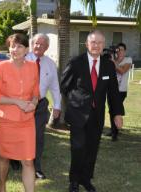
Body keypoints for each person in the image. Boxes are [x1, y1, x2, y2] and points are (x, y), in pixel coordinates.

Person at [61, 30, 124, 192]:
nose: (96, 46)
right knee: (78, 148)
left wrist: (117, 114)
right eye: (93, 42)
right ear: (87, 44)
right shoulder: (76, 62)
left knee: (92, 148)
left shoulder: (108, 65)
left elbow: (114, 92)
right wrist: (76, 102)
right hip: (78, 115)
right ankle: (74, 180)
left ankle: (86, 179)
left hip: (97, 116)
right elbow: (64, 86)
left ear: (103, 45)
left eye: (99, 43)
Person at [0, 33, 39, 192]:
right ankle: (2, 184)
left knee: (28, 161)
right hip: (6, 122)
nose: (15, 49)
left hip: (27, 121)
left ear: (26, 49)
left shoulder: (33, 66)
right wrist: (17, 102)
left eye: (19, 46)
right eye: (12, 46)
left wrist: (33, 103)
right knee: (4, 157)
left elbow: (36, 92)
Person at [26, 33, 61, 179]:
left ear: (47, 47)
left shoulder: (50, 64)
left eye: (42, 44)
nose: (38, 46)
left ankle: (36, 167)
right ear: (32, 44)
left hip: (40, 106)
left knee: (38, 138)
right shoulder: (23, 59)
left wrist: (57, 105)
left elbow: (54, 87)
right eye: (36, 43)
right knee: (20, 135)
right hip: (22, 105)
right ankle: (16, 160)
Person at [106, 42, 132, 141]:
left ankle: (115, 134)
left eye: (121, 49)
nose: (119, 51)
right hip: (111, 89)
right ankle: (113, 130)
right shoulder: (113, 59)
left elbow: (122, 71)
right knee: (111, 110)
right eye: (118, 49)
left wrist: (113, 61)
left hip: (121, 90)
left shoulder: (128, 59)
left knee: (116, 110)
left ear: (125, 51)